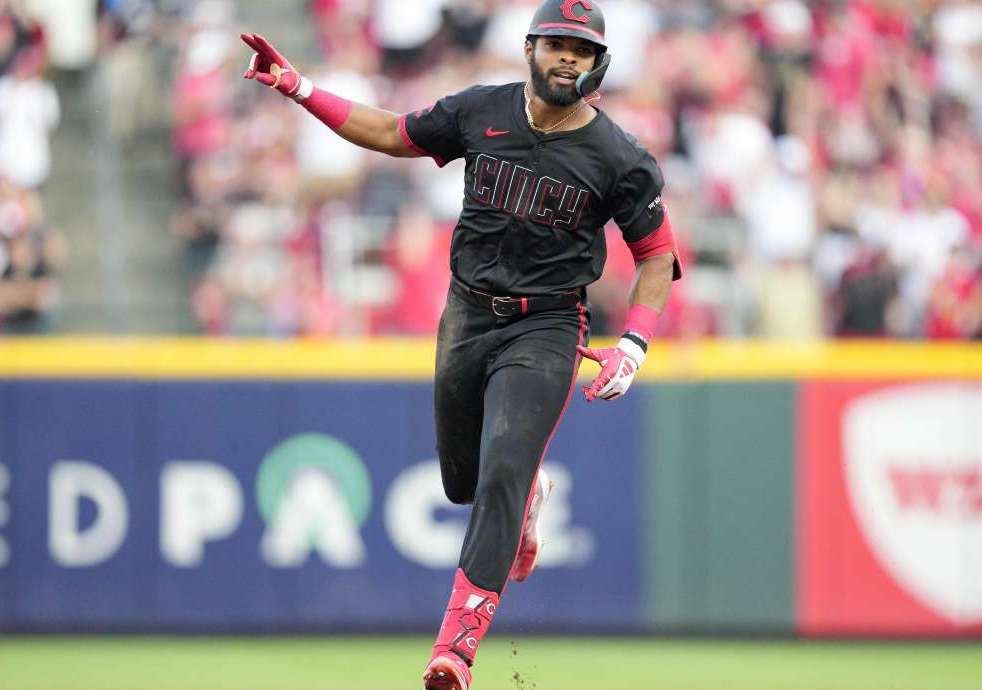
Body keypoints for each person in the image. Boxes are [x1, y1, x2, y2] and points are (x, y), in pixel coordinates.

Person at [240, 2, 681, 688]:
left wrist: (636, 343)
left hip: (550, 324)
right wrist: (299, 88)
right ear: (530, 48)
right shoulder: (482, 110)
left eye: (583, 50)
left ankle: (458, 646)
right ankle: (526, 491)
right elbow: (391, 132)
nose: (569, 57)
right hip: (468, 314)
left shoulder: (619, 156)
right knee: (462, 484)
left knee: (502, 468)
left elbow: (657, 254)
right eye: (558, 44)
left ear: (599, 65)